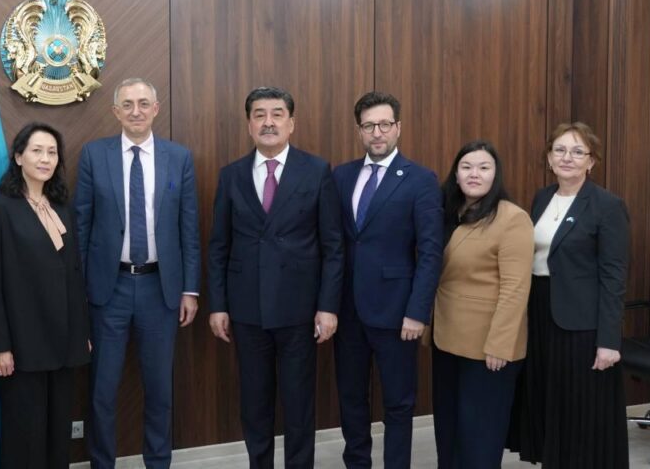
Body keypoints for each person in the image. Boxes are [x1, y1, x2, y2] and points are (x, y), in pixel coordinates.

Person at [208, 87, 343, 469]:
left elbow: (333, 246)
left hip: (300, 310)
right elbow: (219, 246)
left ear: (291, 123)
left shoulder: (316, 170)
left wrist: (328, 307)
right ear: (249, 124)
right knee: (255, 404)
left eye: (277, 114)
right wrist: (218, 305)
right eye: (260, 114)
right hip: (247, 310)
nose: (268, 122)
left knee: (299, 404)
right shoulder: (231, 175)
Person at [75, 78, 201, 469]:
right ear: (116, 111)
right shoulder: (94, 155)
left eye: (144, 103)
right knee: (103, 390)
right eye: (127, 104)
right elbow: (81, 226)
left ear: (156, 109)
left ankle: (158, 462)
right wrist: (80, 291)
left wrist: (190, 290)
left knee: (160, 389)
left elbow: (189, 229)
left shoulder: (178, 157)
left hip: (159, 289)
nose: (136, 111)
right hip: (107, 288)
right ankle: (102, 463)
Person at [507, 122, 630, 468]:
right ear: (549, 158)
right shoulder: (542, 198)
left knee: (580, 407)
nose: (567, 158)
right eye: (559, 150)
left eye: (578, 152)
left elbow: (614, 277)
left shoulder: (607, 206)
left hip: (581, 323)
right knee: (550, 400)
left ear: (591, 161)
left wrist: (609, 341)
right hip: (540, 312)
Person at [332, 91, 443, 469]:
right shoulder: (341, 176)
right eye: (368, 126)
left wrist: (418, 312)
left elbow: (430, 252)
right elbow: (334, 245)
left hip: (398, 314)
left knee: (398, 402)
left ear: (398, 127)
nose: (376, 133)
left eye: (384, 124)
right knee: (351, 398)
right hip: (348, 311)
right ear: (359, 130)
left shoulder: (421, 179)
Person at [0, 122, 90, 469]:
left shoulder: (62, 208)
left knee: (58, 434)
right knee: (24, 436)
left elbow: (74, 276)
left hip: (64, 341)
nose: (45, 159)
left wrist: (82, 333)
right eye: (37, 151)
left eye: (52, 152)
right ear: (18, 157)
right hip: (22, 345)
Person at [430, 140, 533, 468]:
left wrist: (500, 344)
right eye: (466, 167)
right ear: (456, 174)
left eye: (484, 167)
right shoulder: (447, 212)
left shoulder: (512, 218)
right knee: (448, 429)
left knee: (480, 437)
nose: (474, 174)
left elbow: (516, 288)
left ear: (495, 175)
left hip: (489, 347)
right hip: (446, 338)